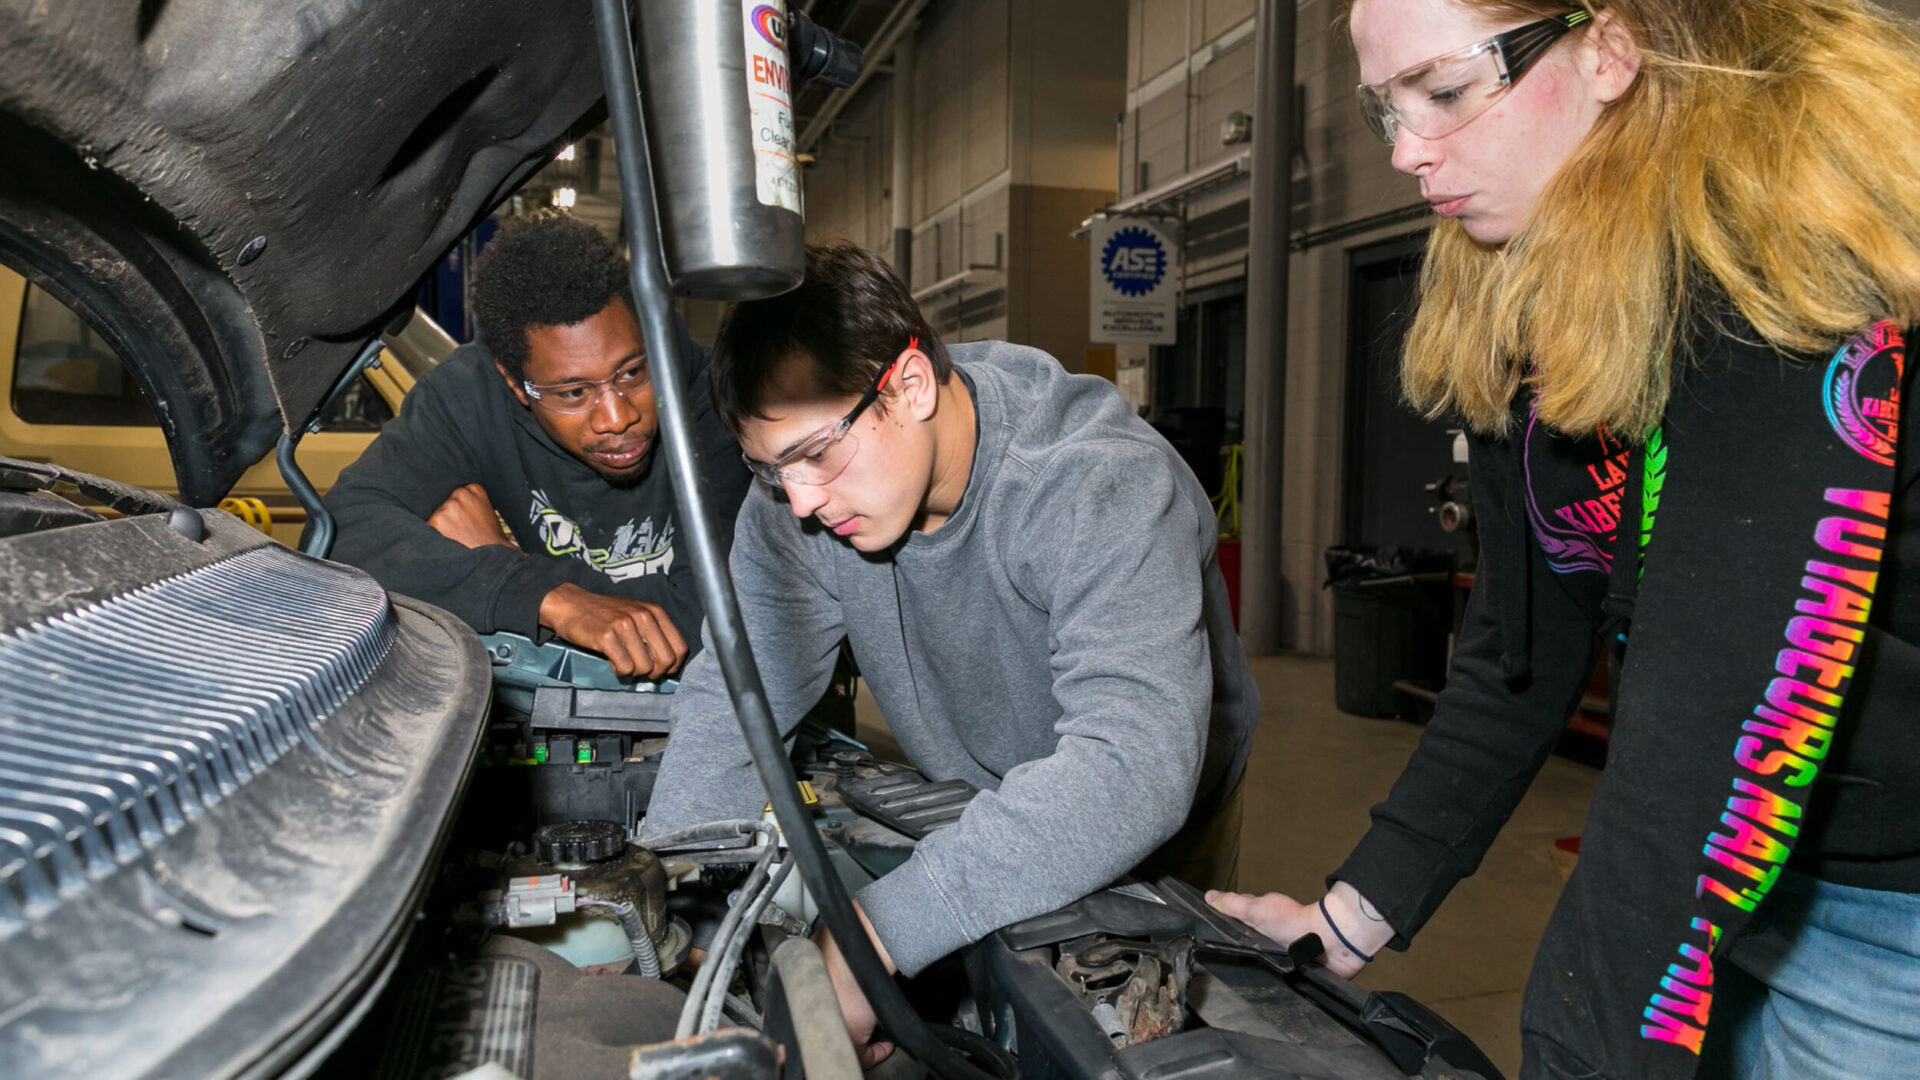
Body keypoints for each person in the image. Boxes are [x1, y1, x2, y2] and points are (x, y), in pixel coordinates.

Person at [1208, 2, 1920, 1078]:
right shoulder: (1530, 287)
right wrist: (1343, 919)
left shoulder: (1778, 257)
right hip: (1735, 873)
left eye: (1443, 92)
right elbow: (1514, 656)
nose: (1407, 151)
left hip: (1886, 910)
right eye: (1384, 109)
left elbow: (1713, 727)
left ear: (1608, 47)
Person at [641, 241, 1259, 1065]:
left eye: (816, 454)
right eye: (768, 470)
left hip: (1154, 808)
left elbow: (1131, 769)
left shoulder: (1095, 483)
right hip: (975, 793)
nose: (800, 503)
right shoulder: (802, 494)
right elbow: (736, 693)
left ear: (910, 385)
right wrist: (669, 901)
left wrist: (877, 941)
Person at [322, 213, 750, 678]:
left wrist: (510, 566)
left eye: (632, 372)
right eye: (573, 393)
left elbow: (718, 620)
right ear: (514, 383)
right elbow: (343, 533)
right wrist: (547, 599)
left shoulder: (719, 401)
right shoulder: (467, 400)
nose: (617, 417)